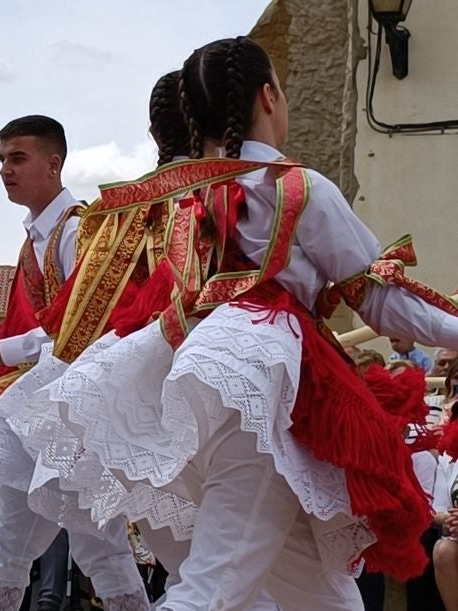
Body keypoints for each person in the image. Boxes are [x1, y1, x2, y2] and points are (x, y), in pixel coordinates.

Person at [23, 36, 458, 610]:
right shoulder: (295, 186)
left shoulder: (171, 197)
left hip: (177, 381)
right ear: (268, 97)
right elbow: (378, 299)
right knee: (212, 587)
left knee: (326, 597)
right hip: (256, 385)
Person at [0, 115, 146, 611]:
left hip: (68, 408)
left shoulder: (77, 231)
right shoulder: (36, 237)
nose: (5, 170)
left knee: (93, 543)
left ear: (54, 163)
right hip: (39, 408)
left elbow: (83, 328)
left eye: (18, 158)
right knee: (24, 543)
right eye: (1, 160)